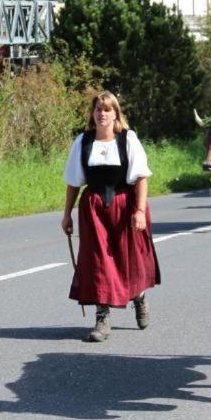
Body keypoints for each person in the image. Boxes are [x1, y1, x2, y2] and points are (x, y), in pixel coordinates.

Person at [61, 91, 160, 342]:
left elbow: (140, 178)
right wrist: (66, 215)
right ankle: (102, 318)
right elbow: (73, 183)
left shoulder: (128, 140)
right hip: (93, 208)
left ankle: (138, 297)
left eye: (107, 109)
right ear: (92, 114)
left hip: (124, 206)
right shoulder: (82, 142)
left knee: (129, 258)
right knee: (97, 261)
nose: (102, 114)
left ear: (116, 113)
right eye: (98, 109)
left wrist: (139, 211)